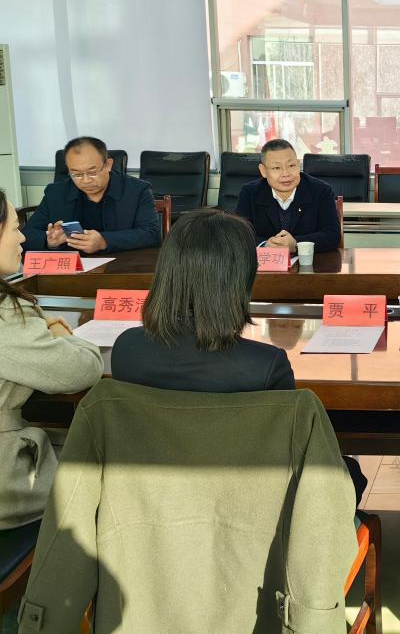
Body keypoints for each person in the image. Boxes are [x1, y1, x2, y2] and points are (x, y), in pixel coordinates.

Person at [111, 208, 366, 500]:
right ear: (240, 278)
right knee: (351, 474)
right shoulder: (265, 365)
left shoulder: (127, 348)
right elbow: (286, 455)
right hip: (246, 505)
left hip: (153, 499)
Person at [0, 187, 102, 530]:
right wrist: (58, 330)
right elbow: (83, 370)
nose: (22, 238)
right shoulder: (5, 315)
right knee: (112, 465)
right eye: (14, 228)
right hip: (8, 486)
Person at [22, 136, 161, 253]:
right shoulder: (56, 193)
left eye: (92, 172)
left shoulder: (137, 190)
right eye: (76, 174)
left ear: (108, 165)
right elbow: (26, 235)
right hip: (72, 269)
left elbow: (152, 234)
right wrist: (49, 241)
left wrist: (104, 241)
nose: (86, 180)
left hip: (122, 265)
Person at [236, 138, 340, 253]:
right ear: (263, 171)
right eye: (277, 168)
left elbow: (333, 235)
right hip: (265, 262)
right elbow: (239, 235)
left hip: (312, 262)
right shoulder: (250, 193)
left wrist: (296, 244)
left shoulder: (321, 191)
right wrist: (265, 245)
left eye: (291, 165)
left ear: (298, 165)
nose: (286, 174)